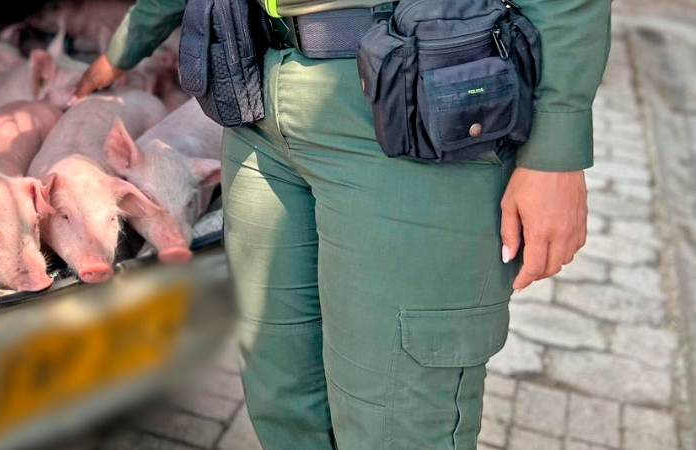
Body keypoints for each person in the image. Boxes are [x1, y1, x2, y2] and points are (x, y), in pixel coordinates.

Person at [75, 0, 609, 448]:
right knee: (283, 402)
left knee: (394, 419)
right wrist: (125, 46)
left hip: (405, 110)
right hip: (256, 97)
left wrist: (554, 150)